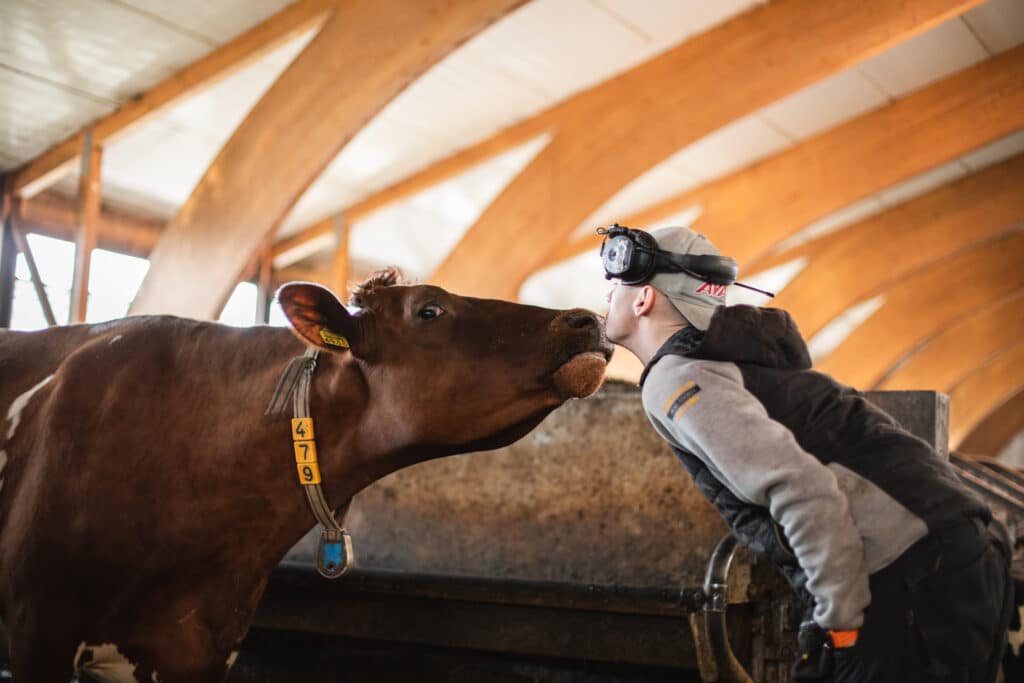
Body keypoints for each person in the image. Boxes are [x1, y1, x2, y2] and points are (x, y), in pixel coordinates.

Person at [598, 223, 1013, 682]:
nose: (609, 292)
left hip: (912, 575)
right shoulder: (730, 360)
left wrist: (839, 623)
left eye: (617, 283)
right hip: (952, 552)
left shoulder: (676, 378)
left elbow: (803, 488)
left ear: (643, 300)